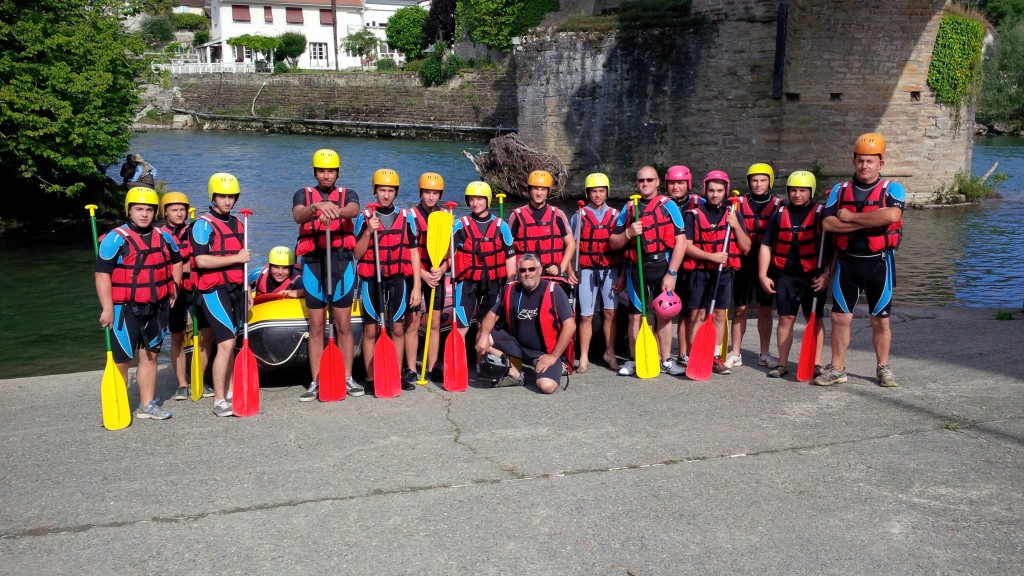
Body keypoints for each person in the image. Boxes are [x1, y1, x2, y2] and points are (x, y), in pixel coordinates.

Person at [816, 132, 905, 388]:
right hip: (848, 263)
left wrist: (851, 218)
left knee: (880, 319)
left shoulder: (893, 189)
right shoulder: (840, 190)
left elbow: (890, 216)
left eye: (870, 161)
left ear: (881, 163)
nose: (865, 166)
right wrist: (864, 221)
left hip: (879, 263)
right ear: (854, 161)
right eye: (860, 161)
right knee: (839, 318)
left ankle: (883, 367)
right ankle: (838, 368)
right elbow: (828, 223)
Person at [95, 186, 182, 420]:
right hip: (124, 309)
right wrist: (106, 308)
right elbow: (102, 274)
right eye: (139, 209)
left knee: (150, 355)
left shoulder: (165, 237)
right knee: (121, 361)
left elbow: (177, 260)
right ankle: (117, 406)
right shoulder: (115, 239)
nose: (144, 214)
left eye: (149, 210)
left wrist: (174, 286)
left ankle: (147, 405)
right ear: (129, 211)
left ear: (155, 212)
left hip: (157, 307)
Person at [292, 149, 363, 401]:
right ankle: (315, 380)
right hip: (314, 264)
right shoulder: (303, 194)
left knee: (343, 325)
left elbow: (353, 210)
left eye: (330, 171)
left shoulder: (348, 194)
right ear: (315, 172)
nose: (326, 175)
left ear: (337, 172)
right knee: (317, 326)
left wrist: (333, 210)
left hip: (342, 263)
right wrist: (316, 206)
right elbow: (298, 215)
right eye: (321, 171)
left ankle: (346, 377)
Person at [608, 165, 688, 376]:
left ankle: (666, 360)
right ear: (637, 183)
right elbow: (613, 242)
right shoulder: (629, 208)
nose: (645, 184)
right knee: (635, 317)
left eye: (649, 180)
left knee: (664, 315)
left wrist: (671, 274)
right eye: (641, 180)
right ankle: (635, 360)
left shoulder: (669, 206)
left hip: (663, 266)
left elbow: (681, 243)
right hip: (636, 269)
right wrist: (628, 233)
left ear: (657, 182)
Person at [353, 169, 422, 392]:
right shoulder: (365, 217)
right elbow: (357, 253)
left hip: (398, 279)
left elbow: (413, 253)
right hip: (372, 279)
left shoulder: (406, 218)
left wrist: (417, 286)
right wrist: (366, 233)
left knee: (398, 329)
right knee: (371, 330)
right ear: (375, 191)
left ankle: (396, 372)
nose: (386, 195)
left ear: (396, 193)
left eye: (390, 191)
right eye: (382, 190)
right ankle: (372, 379)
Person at [190, 173, 252, 417]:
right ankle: (218, 400)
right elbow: (201, 259)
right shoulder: (202, 224)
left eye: (231, 197)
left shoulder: (238, 224)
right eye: (222, 196)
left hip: (235, 288)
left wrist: (247, 289)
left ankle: (230, 391)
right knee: (225, 342)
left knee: (232, 342)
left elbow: (244, 265)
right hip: (213, 290)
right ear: (212, 196)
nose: (227, 201)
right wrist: (236, 258)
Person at [758, 171, 829, 378]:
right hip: (786, 276)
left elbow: (833, 249)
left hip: (813, 277)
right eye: (794, 190)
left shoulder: (821, 214)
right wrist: (763, 274)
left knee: (813, 318)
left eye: (802, 190)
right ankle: (782, 363)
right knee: (785, 318)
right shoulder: (779, 214)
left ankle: (816, 363)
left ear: (811, 192)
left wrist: (826, 274)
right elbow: (766, 246)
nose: (797, 194)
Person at [475, 253, 576, 394]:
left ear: (540, 270)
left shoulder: (554, 290)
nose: (527, 274)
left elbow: (570, 326)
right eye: (522, 270)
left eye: (531, 269)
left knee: (546, 386)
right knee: (482, 336)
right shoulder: (512, 290)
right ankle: (516, 374)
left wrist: (553, 357)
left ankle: (555, 367)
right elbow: (492, 315)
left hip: (544, 353)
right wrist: (485, 334)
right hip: (517, 347)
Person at [683, 171, 751, 375]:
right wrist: (711, 256)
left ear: (725, 192)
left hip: (724, 273)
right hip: (700, 272)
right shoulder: (693, 215)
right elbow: (686, 246)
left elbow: (746, 245)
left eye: (719, 191)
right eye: (711, 190)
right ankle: (697, 355)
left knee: (721, 315)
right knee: (696, 314)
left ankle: (714, 356)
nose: (715, 194)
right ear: (705, 190)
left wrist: (736, 225)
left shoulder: (734, 214)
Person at [727, 163, 782, 370]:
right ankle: (735, 353)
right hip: (743, 262)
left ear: (770, 181)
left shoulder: (778, 204)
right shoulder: (737, 204)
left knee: (765, 309)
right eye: (754, 180)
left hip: (767, 263)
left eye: (762, 180)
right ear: (749, 182)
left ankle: (764, 353)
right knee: (740, 309)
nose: (758, 184)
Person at [451, 181, 516, 349]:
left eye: (479, 199)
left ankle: (482, 367)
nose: (475, 203)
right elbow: (446, 254)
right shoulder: (460, 225)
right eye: (471, 199)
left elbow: (510, 257)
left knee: (484, 328)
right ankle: (457, 368)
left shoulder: (502, 227)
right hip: (467, 284)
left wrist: (510, 283)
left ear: (487, 200)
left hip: (493, 284)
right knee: (460, 327)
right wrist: (446, 228)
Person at [568, 172, 622, 373]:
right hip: (587, 271)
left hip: (610, 270)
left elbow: (623, 248)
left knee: (610, 313)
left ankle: (610, 352)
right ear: (587, 193)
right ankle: (584, 357)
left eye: (601, 191)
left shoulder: (617, 216)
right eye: (593, 191)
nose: (597, 195)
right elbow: (571, 245)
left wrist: (623, 275)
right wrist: (568, 269)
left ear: (606, 193)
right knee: (586, 316)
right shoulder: (578, 217)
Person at [158, 191, 200, 401]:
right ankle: (182, 383)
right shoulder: (159, 236)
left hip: (195, 289)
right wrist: (184, 267)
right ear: (165, 212)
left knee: (205, 333)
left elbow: (201, 258)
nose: (179, 213)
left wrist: (187, 266)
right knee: (177, 336)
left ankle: (201, 377)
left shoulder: (194, 231)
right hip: (175, 292)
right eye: (174, 209)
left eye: (182, 209)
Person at [408, 172, 448, 383]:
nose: (431, 197)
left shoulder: (444, 217)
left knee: (434, 324)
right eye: (427, 192)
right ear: (421, 192)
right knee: (413, 323)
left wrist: (442, 269)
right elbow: (406, 252)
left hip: (436, 275)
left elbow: (450, 255)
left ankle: (431, 368)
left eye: (435, 193)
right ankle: (410, 369)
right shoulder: (410, 217)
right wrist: (423, 275)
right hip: (417, 274)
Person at [664, 165, 702, 366]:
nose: (676, 187)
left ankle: (685, 353)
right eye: (672, 183)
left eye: (680, 183)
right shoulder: (661, 204)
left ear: (688, 184)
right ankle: (665, 354)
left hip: (692, 264)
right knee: (666, 310)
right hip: (667, 264)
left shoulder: (699, 203)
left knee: (689, 310)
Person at [507, 170, 576, 280]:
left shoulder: (558, 215)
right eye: (535, 188)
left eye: (543, 189)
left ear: (548, 192)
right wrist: (511, 279)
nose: (539, 193)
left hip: (551, 274)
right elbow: (508, 248)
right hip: (526, 276)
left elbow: (571, 244)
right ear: (530, 190)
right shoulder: (516, 216)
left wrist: (561, 268)